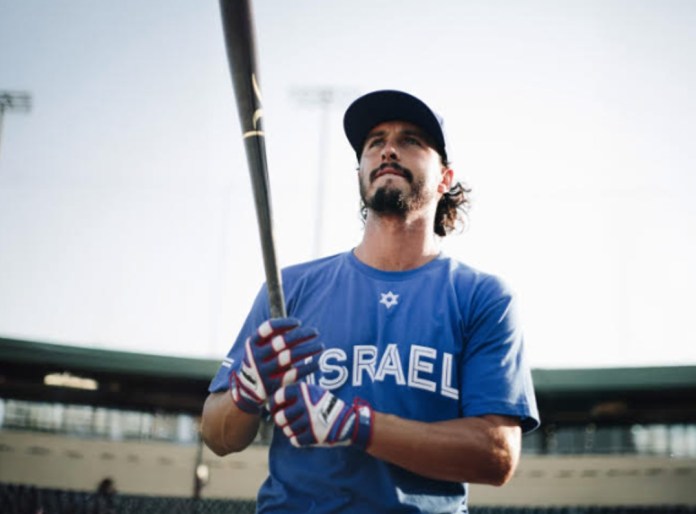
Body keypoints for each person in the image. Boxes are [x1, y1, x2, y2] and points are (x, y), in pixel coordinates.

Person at [201, 90, 540, 513]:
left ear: (445, 178)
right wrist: (246, 391)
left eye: (411, 140)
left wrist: (356, 426)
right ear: (360, 170)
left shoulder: (482, 297)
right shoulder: (290, 290)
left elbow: (497, 456)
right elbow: (218, 436)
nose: (389, 149)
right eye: (375, 142)